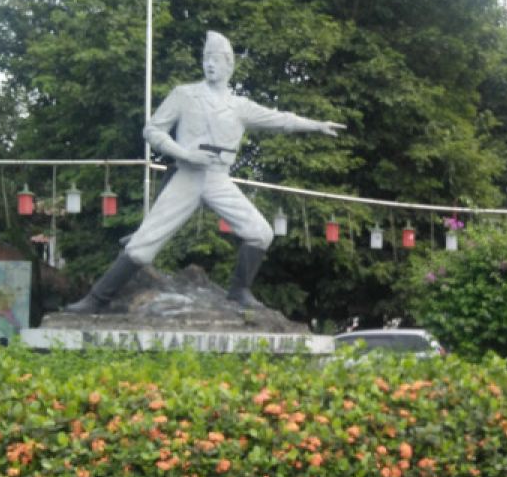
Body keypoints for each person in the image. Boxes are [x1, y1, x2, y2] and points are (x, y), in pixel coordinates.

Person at [66, 31, 344, 313]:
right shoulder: (184, 94)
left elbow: (280, 120)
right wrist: (185, 153)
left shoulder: (239, 106)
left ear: (229, 65)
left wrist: (316, 125)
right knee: (143, 245)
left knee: (260, 232)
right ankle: (96, 300)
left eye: (216, 59)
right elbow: (152, 130)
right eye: (205, 58)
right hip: (187, 176)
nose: (209, 64)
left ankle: (239, 291)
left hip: (217, 179)